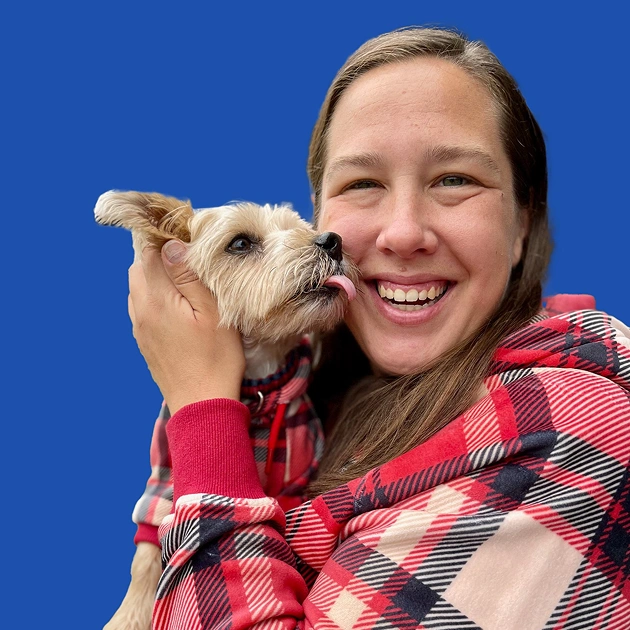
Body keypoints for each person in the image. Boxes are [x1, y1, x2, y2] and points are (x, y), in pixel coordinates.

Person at [127, 27, 630, 628]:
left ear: (522, 224)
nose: (403, 232)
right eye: (362, 184)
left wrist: (203, 411)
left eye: (454, 180)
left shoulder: (569, 426)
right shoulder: (318, 392)